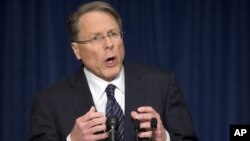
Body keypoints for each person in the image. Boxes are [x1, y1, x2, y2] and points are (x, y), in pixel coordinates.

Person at [28, 1, 198, 141]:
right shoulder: (49, 102)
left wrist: (165, 138)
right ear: (76, 50)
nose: (109, 44)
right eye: (96, 38)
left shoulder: (162, 85)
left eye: (113, 34)